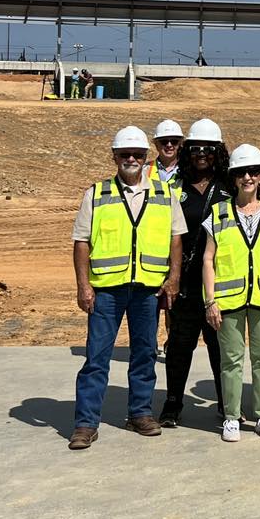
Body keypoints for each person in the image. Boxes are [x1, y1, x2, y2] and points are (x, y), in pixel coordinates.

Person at [68, 125, 182, 450]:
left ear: (146, 157)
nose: (131, 159)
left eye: (137, 154)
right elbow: (81, 242)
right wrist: (83, 286)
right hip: (106, 291)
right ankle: (86, 423)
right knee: (97, 357)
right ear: (114, 157)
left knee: (145, 353)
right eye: (124, 154)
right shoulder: (97, 194)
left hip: (147, 289)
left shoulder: (163, 194)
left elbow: (176, 239)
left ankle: (140, 413)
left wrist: (173, 279)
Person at [202, 144, 260, 442]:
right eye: (242, 173)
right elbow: (207, 259)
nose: (248, 178)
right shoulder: (219, 212)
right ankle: (231, 417)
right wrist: (210, 300)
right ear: (234, 177)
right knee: (231, 360)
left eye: (254, 172)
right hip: (228, 301)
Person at [160, 118, 229, 427]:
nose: (202, 155)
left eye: (209, 149)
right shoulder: (176, 187)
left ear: (219, 152)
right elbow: (165, 234)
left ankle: (227, 403)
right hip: (185, 280)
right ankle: (173, 403)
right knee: (178, 345)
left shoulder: (229, 186)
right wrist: (169, 278)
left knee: (220, 346)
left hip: (220, 281)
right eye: (196, 149)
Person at [147, 119, 184, 187]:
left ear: (180, 144)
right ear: (156, 144)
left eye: (174, 141)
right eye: (164, 142)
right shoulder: (145, 170)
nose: (169, 145)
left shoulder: (188, 170)